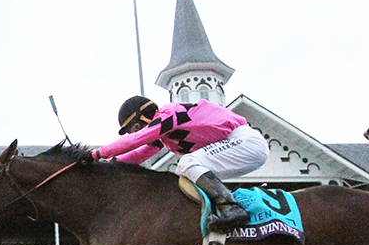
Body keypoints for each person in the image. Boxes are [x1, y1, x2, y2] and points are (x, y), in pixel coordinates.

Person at [90, 95, 269, 231]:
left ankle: (232, 208)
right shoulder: (165, 135)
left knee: (188, 162)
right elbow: (140, 155)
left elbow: (136, 141)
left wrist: (97, 154)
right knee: (180, 177)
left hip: (246, 141)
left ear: (146, 116)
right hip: (239, 146)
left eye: (135, 128)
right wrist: (108, 164)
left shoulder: (170, 114)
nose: (135, 133)